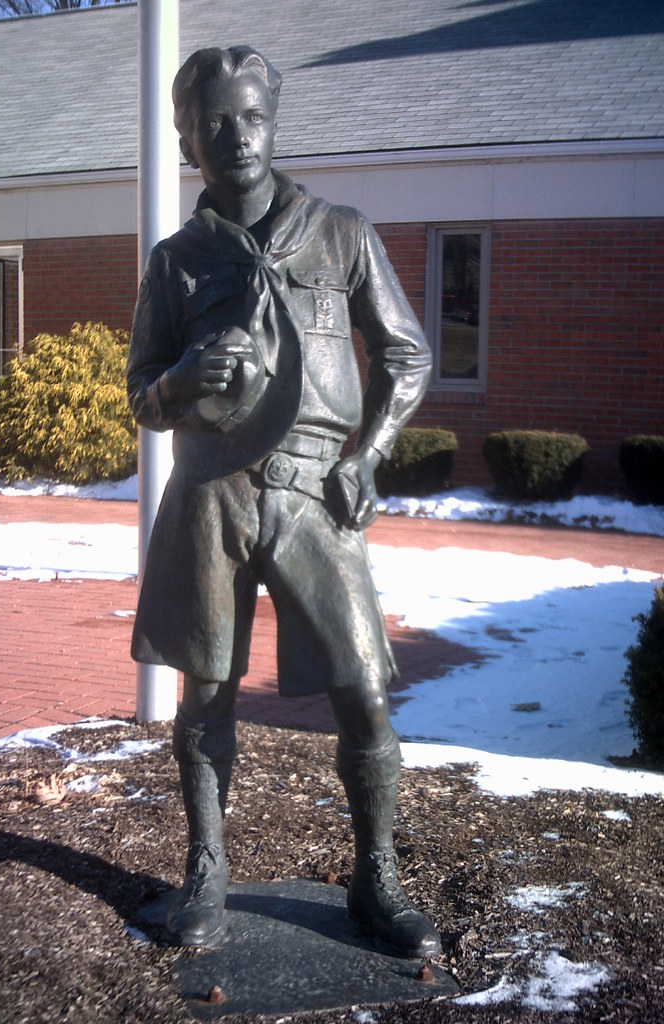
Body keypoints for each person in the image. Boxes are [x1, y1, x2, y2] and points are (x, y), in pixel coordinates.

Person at [127, 45, 440, 959]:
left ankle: (376, 877)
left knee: (365, 693)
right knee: (206, 697)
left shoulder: (340, 234)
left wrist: (370, 454)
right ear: (189, 137)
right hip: (211, 496)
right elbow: (141, 393)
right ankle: (207, 872)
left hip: (314, 493)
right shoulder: (176, 262)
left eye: (252, 116)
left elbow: (408, 354)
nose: (237, 136)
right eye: (215, 121)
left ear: (276, 121)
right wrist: (183, 377)